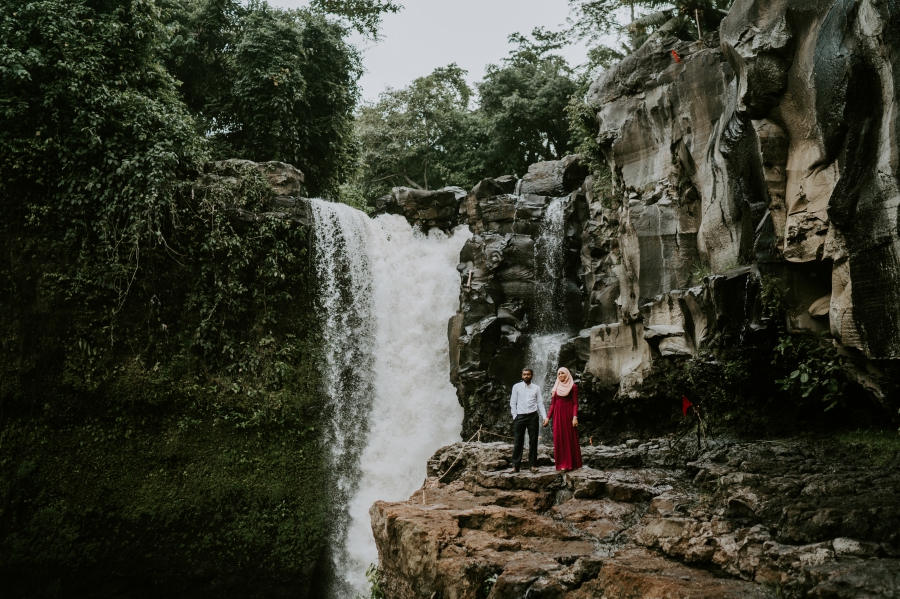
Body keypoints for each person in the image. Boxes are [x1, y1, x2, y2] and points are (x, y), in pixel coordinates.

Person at [543, 367, 582, 471]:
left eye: (562, 373)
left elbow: (575, 403)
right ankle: (562, 464)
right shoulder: (555, 388)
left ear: (567, 374)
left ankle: (571, 463)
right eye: (558, 374)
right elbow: (552, 405)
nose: (560, 375)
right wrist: (547, 418)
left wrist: (575, 417)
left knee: (569, 437)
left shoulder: (573, 387)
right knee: (559, 437)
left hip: (569, 414)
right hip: (558, 415)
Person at [509, 368, 546, 473]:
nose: (526, 376)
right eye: (524, 374)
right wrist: (515, 416)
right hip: (520, 416)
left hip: (533, 416)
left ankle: (532, 465)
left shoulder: (536, 388)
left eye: (528, 374)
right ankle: (515, 466)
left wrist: (544, 417)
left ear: (532, 375)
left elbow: (540, 403)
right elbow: (513, 402)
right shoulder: (516, 387)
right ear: (522, 376)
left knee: (533, 441)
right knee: (518, 441)